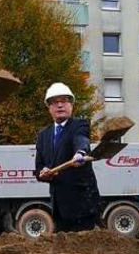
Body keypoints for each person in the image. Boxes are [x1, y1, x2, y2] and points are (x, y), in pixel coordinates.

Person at [35, 82, 102, 232]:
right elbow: (38, 167)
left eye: (64, 101)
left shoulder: (79, 125)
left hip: (83, 205)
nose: (60, 105)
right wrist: (43, 173)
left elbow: (81, 140)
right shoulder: (43, 135)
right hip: (59, 207)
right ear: (49, 108)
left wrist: (80, 153)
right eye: (55, 102)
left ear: (71, 105)